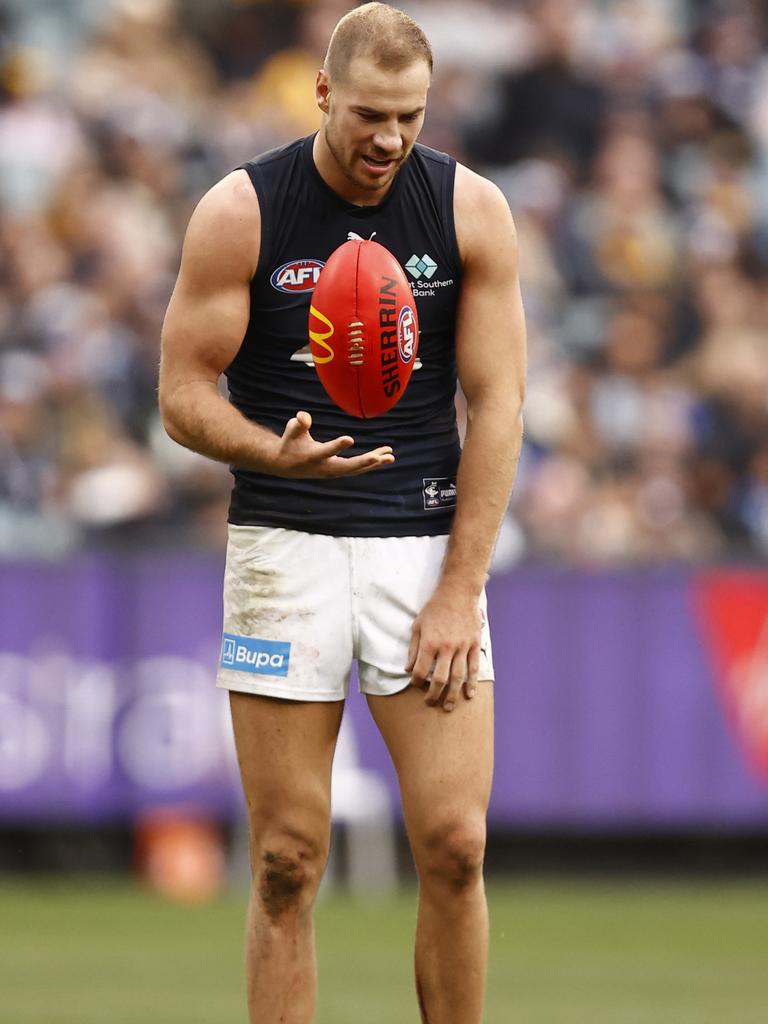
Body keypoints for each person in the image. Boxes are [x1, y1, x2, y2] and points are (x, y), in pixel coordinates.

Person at [158, 4, 525, 1022]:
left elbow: (500, 403)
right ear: (322, 93)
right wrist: (264, 448)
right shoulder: (243, 210)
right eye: (369, 112)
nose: (390, 139)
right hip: (285, 544)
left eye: (410, 115)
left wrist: (461, 586)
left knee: (455, 846)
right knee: (285, 858)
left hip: (422, 545)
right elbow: (183, 392)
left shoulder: (469, 211)